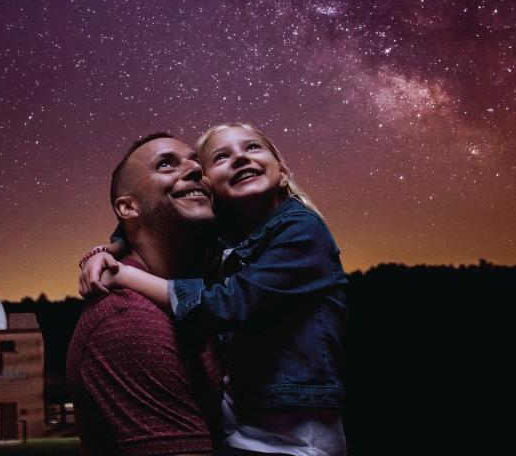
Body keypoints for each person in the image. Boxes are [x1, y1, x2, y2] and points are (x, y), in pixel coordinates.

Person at [81, 123, 348, 456]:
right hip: (245, 424)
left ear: (282, 174)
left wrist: (120, 273)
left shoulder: (302, 230)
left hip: (296, 433)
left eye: (252, 148)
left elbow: (227, 304)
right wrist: (110, 248)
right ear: (211, 189)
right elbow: (148, 211)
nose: (239, 158)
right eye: (221, 157)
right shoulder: (224, 240)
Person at [67, 133, 233, 455]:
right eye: (166, 164)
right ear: (128, 207)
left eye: (196, 162)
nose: (197, 170)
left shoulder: (207, 293)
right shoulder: (128, 322)